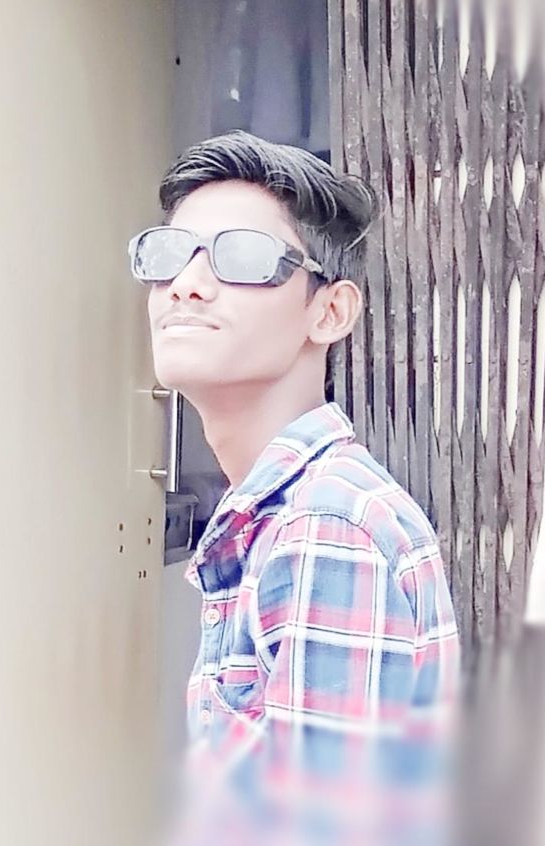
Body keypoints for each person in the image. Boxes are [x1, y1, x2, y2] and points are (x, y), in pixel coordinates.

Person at [129, 131, 460, 846]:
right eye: (169, 253)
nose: (186, 284)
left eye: (242, 257)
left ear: (330, 311)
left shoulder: (327, 528)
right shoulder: (278, 515)